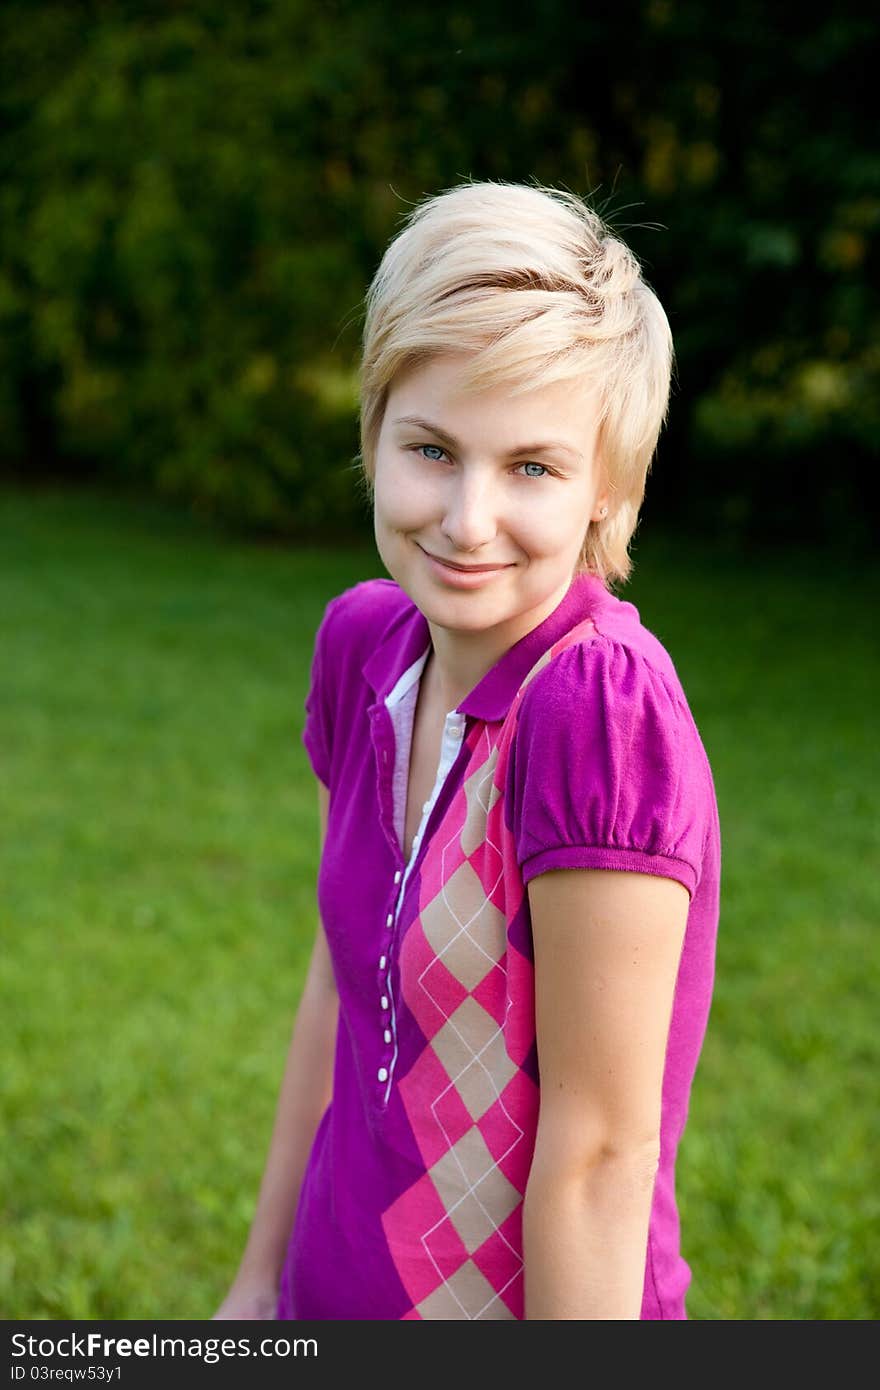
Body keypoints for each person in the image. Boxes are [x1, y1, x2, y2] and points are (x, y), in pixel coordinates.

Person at [213, 178, 721, 1321]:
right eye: (432, 449)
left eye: (531, 467)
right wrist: (257, 1284)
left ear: (609, 490)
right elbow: (345, 985)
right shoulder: (364, 646)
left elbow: (598, 1154)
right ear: (374, 429)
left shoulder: (596, 712)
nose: (467, 518)